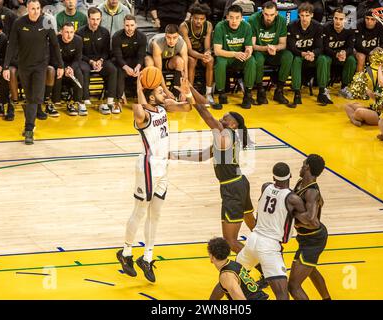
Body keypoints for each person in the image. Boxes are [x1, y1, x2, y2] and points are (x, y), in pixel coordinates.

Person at [116, 76, 201, 283]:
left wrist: (186, 91)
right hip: (148, 165)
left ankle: (147, 257)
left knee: (156, 214)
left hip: (164, 166)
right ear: (151, 97)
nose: (164, 92)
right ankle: (126, 252)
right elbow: (137, 110)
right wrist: (138, 88)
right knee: (140, 210)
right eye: (160, 91)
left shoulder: (165, 108)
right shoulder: (143, 116)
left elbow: (189, 107)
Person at [170, 86, 257, 255]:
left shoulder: (227, 134)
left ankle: (264, 268)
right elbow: (202, 155)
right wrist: (174, 155)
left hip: (232, 187)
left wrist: (190, 96)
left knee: (230, 241)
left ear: (232, 124)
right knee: (251, 221)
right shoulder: (225, 138)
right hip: (239, 183)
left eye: (225, 118)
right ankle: (272, 247)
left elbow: (206, 114)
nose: (221, 119)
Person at [236, 162, 317, 300]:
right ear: (290, 175)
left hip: (253, 240)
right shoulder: (293, 199)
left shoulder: (265, 187)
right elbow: (309, 220)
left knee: (231, 276)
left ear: (273, 178)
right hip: (269, 246)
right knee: (282, 294)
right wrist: (291, 213)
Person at [3, 0, 64, 145]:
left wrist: (60, 65)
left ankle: (29, 129)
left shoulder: (46, 22)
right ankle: (30, 122)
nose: (35, 11)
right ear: (27, 9)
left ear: (41, 9)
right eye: (32, 8)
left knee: (34, 97)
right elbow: (11, 45)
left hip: (40, 66)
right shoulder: (19, 23)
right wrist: (6, 66)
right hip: (24, 66)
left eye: (38, 8)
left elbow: (55, 45)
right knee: (30, 96)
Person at [288, 154, 331, 300]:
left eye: (303, 164)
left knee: (293, 286)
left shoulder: (312, 191)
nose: (301, 166)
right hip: (305, 238)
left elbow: (312, 221)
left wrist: (293, 215)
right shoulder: (301, 183)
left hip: (314, 239)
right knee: (311, 269)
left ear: (307, 167)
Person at [248, 1, 292, 106]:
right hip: (259, 50)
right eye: (266, 14)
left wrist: (275, 48)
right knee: (258, 59)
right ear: (262, 12)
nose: (269, 17)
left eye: (272, 15)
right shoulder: (253, 20)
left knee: (288, 56)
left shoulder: (281, 20)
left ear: (276, 13)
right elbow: (252, 45)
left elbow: (283, 44)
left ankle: (279, 90)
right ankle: (260, 91)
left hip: (274, 51)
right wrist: (266, 48)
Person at [287, 2, 331, 107]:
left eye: (307, 15)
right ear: (298, 15)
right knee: (296, 60)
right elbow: (291, 47)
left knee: (323, 59)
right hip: (299, 55)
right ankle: (297, 93)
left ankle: (322, 92)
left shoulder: (318, 27)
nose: (304, 18)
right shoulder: (292, 26)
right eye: (302, 15)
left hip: (312, 55)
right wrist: (302, 54)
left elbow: (320, 47)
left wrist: (313, 54)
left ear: (312, 15)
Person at [77, 7, 119, 114]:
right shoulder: (80, 32)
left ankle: (110, 100)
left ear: (100, 19)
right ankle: (85, 100)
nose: (95, 22)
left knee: (112, 70)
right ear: (88, 19)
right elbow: (79, 54)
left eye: (97, 19)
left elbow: (106, 52)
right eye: (93, 19)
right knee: (84, 70)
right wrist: (91, 61)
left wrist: (100, 61)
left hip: (100, 60)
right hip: (85, 60)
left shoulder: (105, 32)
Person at [213, 4, 256, 109]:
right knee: (220, 62)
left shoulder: (247, 26)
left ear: (242, 18)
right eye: (231, 17)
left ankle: (247, 94)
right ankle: (221, 93)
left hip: (239, 57)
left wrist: (247, 52)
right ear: (227, 17)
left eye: (237, 18)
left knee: (251, 60)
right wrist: (234, 54)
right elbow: (217, 51)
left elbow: (249, 47)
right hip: (226, 56)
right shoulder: (220, 26)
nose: (234, 21)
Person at [179, 2, 215, 105]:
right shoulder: (184, 26)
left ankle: (208, 93)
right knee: (192, 61)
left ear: (205, 19)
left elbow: (207, 46)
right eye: (196, 18)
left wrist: (207, 54)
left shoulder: (208, 25)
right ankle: (190, 92)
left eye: (201, 19)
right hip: (187, 54)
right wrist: (201, 56)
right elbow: (188, 50)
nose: (198, 21)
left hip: (201, 53)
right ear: (191, 17)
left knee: (210, 60)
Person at [51, 22, 86, 116]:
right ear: (61, 32)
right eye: (66, 32)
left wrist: (71, 68)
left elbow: (78, 58)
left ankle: (76, 102)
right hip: (58, 64)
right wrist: (61, 67)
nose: (69, 35)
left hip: (71, 65)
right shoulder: (55, 40)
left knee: (78, 74)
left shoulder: (78, 40)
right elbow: (52, 58)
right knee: (58, 74)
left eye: (71, 32)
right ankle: (54, 102)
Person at [145, 24, 188, 98]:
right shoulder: (157, 43)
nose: (171, 41)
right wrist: (165, 90)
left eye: (174, 38)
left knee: (180, 62)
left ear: (178, 36)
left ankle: (176, 93)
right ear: (165, 35)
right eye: (169, 37)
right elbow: (158, 70)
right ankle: (150, 93)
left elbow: (185, 70)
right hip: (152, 57)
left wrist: (183, 89)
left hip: (168, 59)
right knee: (150, 64)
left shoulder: (182, 43)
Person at [323, 8, 357, 100]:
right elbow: (324, 48)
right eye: (336, 18)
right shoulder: (325, 28)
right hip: (329, 54)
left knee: (351, 60)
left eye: (341, 19)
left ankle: (344, 87)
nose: (338, 21)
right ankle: (324, 88)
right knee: (324, 59)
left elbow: (351, 47)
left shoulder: (350, 29)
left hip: (343, 55)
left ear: (345, 20)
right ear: (333, 18)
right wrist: (336, 54)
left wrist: (345, 53)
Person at [112, 15, 147, 103]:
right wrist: (126, 67)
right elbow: (118, 56)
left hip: (135, 61)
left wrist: (138, 67)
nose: (130, 28)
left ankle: (145, 94)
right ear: (123, 25)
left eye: (132, 25)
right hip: (121, 61)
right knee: (119, 70)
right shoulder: (117, 36)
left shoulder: (142, 36)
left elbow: (141, 55)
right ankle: (120, 96)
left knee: (145, 70)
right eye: (127, 25)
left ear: (136, 25)